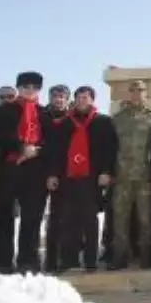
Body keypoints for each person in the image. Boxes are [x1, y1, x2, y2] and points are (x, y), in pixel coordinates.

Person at [46, 86, 116, 272]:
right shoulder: (64, 124)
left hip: (91, 178)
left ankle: (90, 260)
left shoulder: (103, 122)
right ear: (74, 100)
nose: (82, 101)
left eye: (86, 98)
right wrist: (53, 174)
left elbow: (109, 150)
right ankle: (68, 259)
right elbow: (56, 152)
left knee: (89, 221)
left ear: (92, 100)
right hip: (68, 178)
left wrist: (107, 172)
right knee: (67, 220)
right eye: (79, 97)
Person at [0, 71, 49, 273]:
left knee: (32, 217)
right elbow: (0, 134)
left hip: (36, 171)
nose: (30, 90)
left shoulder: (44, 113)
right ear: (19, 88)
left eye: (34, 87)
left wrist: (37, 150)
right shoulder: (6, 111)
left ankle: (28, 260)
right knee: (3, 216)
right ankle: (1, 261)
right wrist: (21, 147)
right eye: (25, 87)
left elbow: (53, 140)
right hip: (10, 168)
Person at [110, 79, 151, 269]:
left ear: (146, 93)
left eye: (140, 90)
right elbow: (111, 148)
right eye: (133, 90)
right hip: (122, 176)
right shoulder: (118, 119)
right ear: (129, 93)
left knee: (145, 218)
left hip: (144, 176)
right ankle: (120, 256)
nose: (137, 94)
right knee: (120, 218)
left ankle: (146, 256)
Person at [42, 84, 72, 273]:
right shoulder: (41, 117)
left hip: (66, 174)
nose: (58, 100)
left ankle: (63, 259)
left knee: (62, 218)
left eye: (62, 97)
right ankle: (49, 260)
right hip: (40, 172)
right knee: (46, 219)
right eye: (55, 96)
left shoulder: (72, 119)